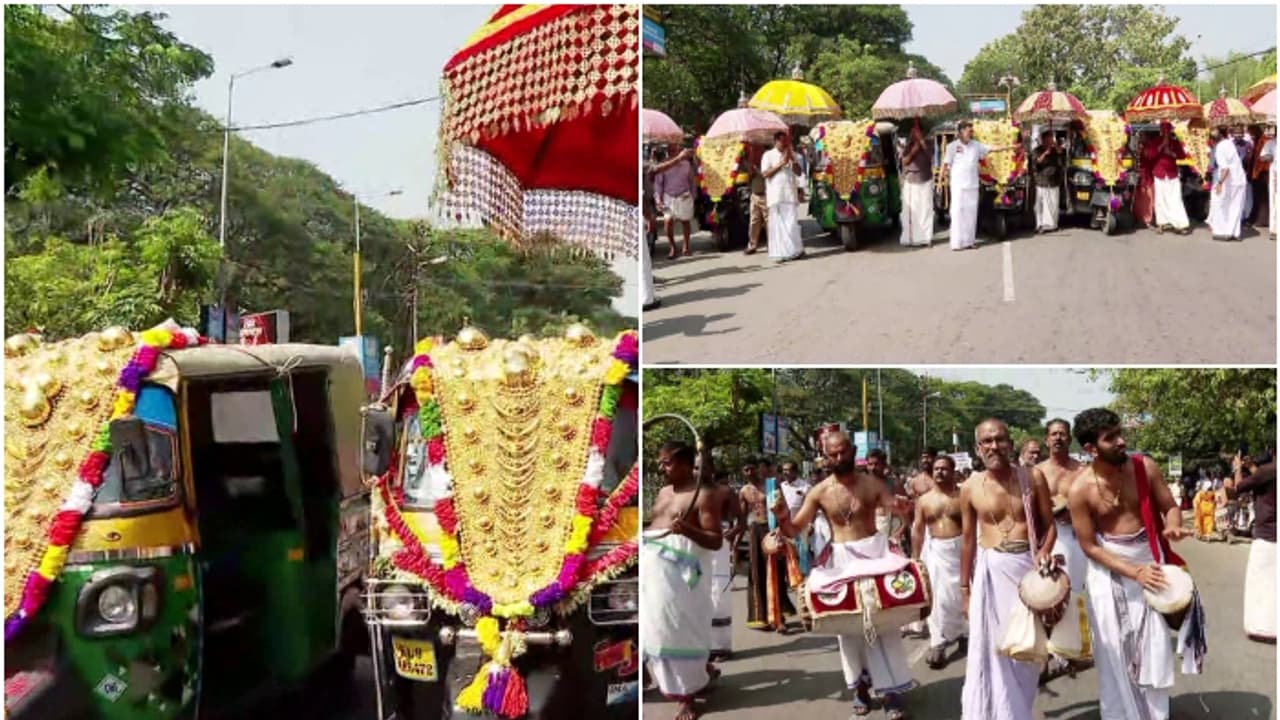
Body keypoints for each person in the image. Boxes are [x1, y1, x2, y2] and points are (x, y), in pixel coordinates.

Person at [1066, 408, 1203, 720]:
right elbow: (1088, 545)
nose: (1121, 441)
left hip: (1151, 570)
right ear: (1090, 449)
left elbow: (1169, 506)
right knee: (1113, 656)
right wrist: (1133, 572)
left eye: (1119, 432)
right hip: (1110, 576)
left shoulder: (1144, 467)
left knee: (1155, 652)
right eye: (1110, 437)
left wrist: (1171, 525)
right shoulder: (1079, 489)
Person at [772, 432, 915, 720]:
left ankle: (890, 693)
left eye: (843, 452)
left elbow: (898, 511)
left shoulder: (871, 483)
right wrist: (782, 517)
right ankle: (860, 690)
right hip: (840, 561)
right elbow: (794, 529)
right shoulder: (819, 491)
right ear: (825, 456)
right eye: (832, 454)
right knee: (847, 629)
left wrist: (903, 509)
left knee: (883, 625)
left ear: (852, 451)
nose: (839, 458)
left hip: (874, 556)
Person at [959, 419, 1057, 720]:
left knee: (1024, 652)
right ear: (977, 449)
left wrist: (1043, 551)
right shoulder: (971, 487)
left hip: (1026, 573)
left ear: (1010, 444)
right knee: (991, 654)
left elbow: (1049, 525)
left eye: (999, 439)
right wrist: (964, 588)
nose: (993, 446)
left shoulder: (1032, 477)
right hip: (991, 574)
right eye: (986, 441)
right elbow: (967, 541)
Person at [642, 441, 728, 720]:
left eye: (667, 462)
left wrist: (688, 530)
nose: (661, 467)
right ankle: (699, 673)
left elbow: (716, 540)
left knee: (678, 630)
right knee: (653, 627)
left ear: (685, 463)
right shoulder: (664, 491)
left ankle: (687, 696)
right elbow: (655, 525)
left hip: (682, 579)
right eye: (661, 461)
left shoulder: (704, 496)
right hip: (653, 571)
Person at [1036, 419, 1091, 671]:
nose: (1058, 438)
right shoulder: (1036, 472)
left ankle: (1069, 648)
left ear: (1069, 440)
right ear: (1046, 440)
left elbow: (1095, 504)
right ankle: (1046, 646)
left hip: (1073, 537)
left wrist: (1076, 512)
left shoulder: (1082, 471)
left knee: (1073, 590)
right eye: (1053, 434)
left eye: (1062, 434)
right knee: (1046, 591)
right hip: (1044, 537)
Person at [912, 454, 968, 668]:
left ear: (953, 471)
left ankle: (964, 633)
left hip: (961, 549)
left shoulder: (963, 496)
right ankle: (938, 642)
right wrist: (915, 560)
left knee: (960, 595)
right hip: (936, 552)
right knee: (938, 600)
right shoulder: (924, 500)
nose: (939, 472)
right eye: (936, 468)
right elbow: (917, 530)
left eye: (944, 468)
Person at [941, 121, 1016, 251]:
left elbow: (992, 148)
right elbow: (946, 164)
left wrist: (1010, 147)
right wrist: (942, 179)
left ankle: (969, 241)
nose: (971, 133)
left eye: (971, 131)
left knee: (971, 213)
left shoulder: (976, 145)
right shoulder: (952, 147)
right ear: (961, 132)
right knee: (957, 212)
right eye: (969, 131)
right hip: (958, 185)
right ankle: (956, 243)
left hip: (972, 185)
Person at [1226, 451, 1276, 643]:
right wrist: (1252, 468)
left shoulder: (1268, 471)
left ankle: (1262, 628)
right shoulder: (1268, 471)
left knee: (1260, 581)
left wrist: (1238, 467)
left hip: (1267, 535)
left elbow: (1239, 487)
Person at [710, 470, 745, 660]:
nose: (698, 472)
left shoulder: (725, 492)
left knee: (719, 593)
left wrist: (732, 533)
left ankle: (721, 648)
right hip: (696, 544)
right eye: (695, 467)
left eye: (702, 467)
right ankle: (702, 648)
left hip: (719, 543)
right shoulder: (689, 491)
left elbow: (741, 520)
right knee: (698, 594)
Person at [761, 131, 806, 263]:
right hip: (776, 196)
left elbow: (799, 173)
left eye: (786, 142)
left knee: (791, 224)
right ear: (775, 142)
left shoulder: (792, 155)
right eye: (782, 142)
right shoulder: (768, 155)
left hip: (790, 196)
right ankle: (779, 253)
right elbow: (765, 174)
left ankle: (795, 250)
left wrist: (791, 160)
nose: (785, 144)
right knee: (778, 227)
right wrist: (781, 164)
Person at [1140, 122, 1191, 234]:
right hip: (1159, 173)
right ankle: (1162, 223)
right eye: (1164, 130)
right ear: (1161, 131)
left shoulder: (1175, 142)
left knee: (1175, 198)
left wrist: (1171, 153)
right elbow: (1149, 156)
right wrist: (1162, 146)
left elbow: (1182, 155)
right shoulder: (1155, 142)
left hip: (1172, 174)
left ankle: (1180, 224)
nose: (1166, 133)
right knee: (1161, 199)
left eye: (1168, 131)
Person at [654, 145, 698, 259]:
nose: (672, 152)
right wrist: (658, 200)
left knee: (685, 222)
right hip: (669, 197)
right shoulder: (663, 165)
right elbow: (658, 185)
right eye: (670, 150)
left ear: (679, 151)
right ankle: (673, 247)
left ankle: (686, 247)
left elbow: (692, 181)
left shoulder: (686, 164)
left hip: (684, 196)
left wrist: (693, 196)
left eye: (674, 150)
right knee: (668, 222)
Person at [898, 121, 936, 246]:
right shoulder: (907, 146)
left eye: (917, 131)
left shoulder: (929, 143)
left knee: (925, 209)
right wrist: (914, 150)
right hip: (911, 180)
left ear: (921, 132)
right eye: (913, 131)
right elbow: (904, 162)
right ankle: (910, 238)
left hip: (925, 179)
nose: (915, 133)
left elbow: (931, 156)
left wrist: (922, 142)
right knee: (910, 210)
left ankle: (926, 238)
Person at [1209, 126, 1248, 240]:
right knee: (1236, 207)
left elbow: (1225, 168)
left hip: (1229, 181)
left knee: (1220, 205)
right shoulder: (1229, 143)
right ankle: (1234, 233)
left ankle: (1221, 232)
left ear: (1213, 140)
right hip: (1239, 180)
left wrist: (1219, 183)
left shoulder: (1220, 148)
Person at [1033, 130, 1064, 233]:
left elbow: (1061, 154)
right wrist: (1045, 153)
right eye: (1048, 138)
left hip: (1053, 181)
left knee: (1052, 204)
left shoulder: (1055, 149)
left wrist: (1055, 146)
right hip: (1041, 181)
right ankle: (1039, 224)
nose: (1050, 141)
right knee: (1040, 204)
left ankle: (1050, 225)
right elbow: (1036, 162)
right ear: (1043, 139)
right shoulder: (1037, 150)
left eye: (1051, 138)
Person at [744, 144, 769, 255]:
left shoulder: (766, 162)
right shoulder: (751, 163)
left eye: (756, 150)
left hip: (765, 195)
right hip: (754, 195)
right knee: (754, 221)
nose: (754, 152)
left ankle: (771, 244)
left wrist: (757, 170)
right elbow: (748, 180)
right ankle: (752, 245)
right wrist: (751, 172)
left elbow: (767, 176)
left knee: (768, 221)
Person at [1249, 125, 1273, 228]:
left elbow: (1262, 158)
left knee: (1262, 197)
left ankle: (1263, 220)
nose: (1251, 135)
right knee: (1259, 197)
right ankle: (1259, 218)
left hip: (1263, 172)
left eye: (1252, 132)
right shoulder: (1258, 140)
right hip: (1258, 172)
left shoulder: (1264, 140)